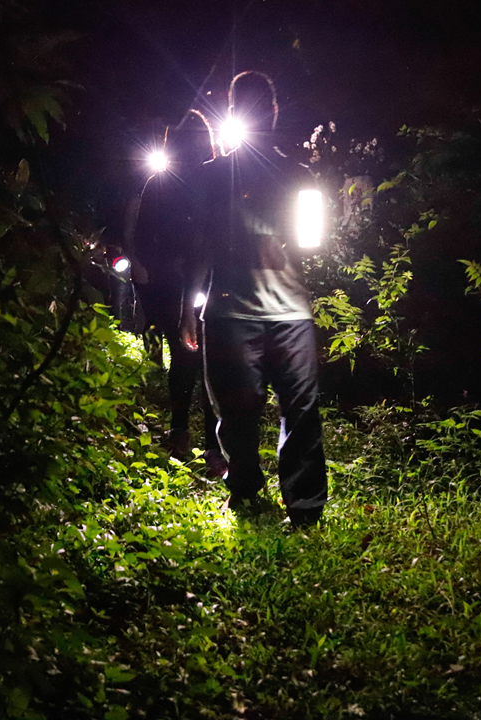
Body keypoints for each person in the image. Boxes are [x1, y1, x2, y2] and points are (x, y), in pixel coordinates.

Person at [181, 76, 328, 527]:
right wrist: (189, 306)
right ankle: (244, 489)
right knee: (236, 410)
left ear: (274, 113)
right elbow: (199, 245)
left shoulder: (298, 173)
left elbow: (311, 242)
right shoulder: (212, 176)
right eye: (250, 105)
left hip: (290, 312)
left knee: (301, 409)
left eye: (265, 105)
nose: (261, 113)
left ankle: (304, 508)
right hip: (229, 311)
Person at [124, 125, 227, 477]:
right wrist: (152, 270)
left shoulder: (212, 180)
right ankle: (187, 434)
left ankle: (205, 442)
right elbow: (143, 236)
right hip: (174, 282)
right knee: (191, 360)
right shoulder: (162, 184)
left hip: (202, 281)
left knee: (201, 363)